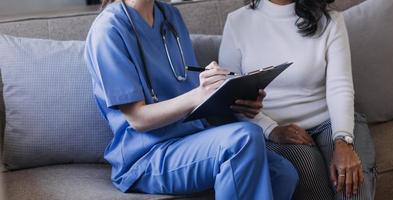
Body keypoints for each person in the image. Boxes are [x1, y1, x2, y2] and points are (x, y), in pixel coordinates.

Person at [84, 0, 299, 199]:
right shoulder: (108, 30)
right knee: (243, 139)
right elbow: (138, 119)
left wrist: (235, 96)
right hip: (147, 156)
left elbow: (191, 90)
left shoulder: (170, 16)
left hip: (192, 136)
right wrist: (199, 93)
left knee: (283, 173)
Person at [219, 0, 376, 199]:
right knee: (309, 173)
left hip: (332, 121)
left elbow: (340, 86)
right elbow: (231, 97)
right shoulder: (237, 22)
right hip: (275, 128)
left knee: (351, 187)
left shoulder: (330, 20)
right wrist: (271, 129)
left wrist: (343, 141)